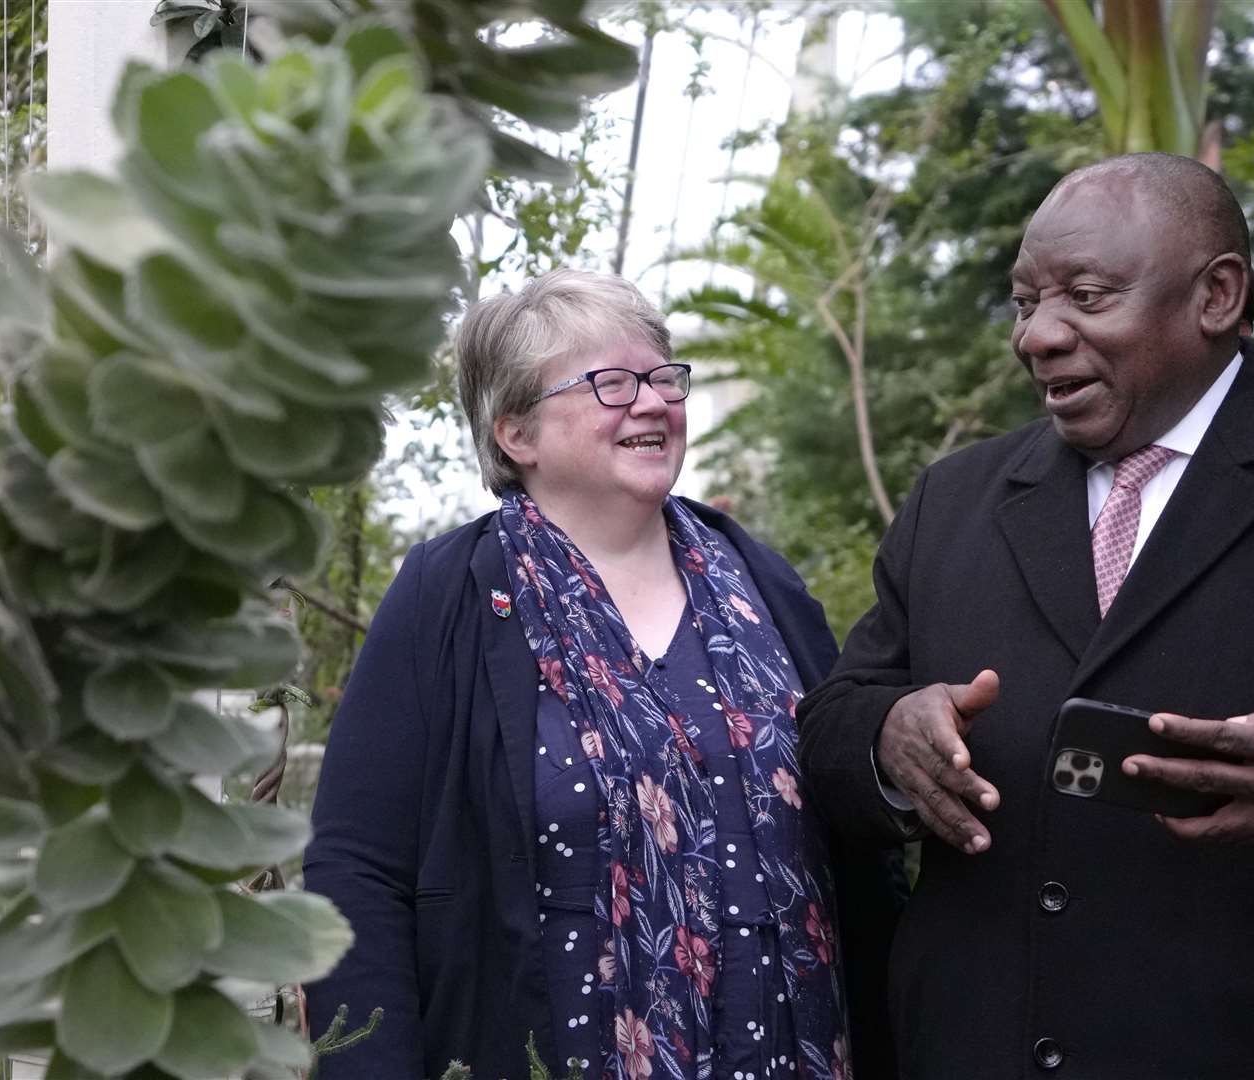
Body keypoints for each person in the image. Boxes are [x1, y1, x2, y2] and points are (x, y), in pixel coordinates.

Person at [797, 153, 1254, 1079]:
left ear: (1216, 295)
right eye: (1025, 305)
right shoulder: (957, 496)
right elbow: (835, 714)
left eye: (1087, 297)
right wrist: (887, 741)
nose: (1038, 337)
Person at [303, 270, 886, 1079]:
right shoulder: (447, 596)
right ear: (517, 434)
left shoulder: (763, 585)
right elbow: (356, 869)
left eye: (661, 377)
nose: (650, 402)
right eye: (611, 383)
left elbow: (855, 820)